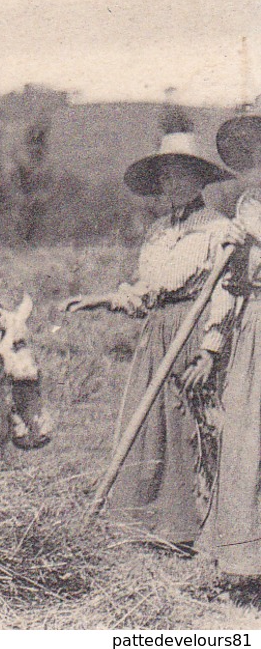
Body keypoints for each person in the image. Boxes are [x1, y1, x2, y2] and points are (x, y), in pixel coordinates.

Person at [67, 132, 240, 545]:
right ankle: (151, 526)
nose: (170, 185)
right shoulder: (160, 230)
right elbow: (147, 291)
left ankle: (198, 528)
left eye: (179, 176)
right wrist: (104, 299)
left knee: (191, 426)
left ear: (199, 179)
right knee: (150, 425)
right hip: (157, 333)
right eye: (164, 178)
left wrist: (209, 352)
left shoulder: (218, 229)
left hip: (193, 330)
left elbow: (225, 290)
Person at [194, 113, 261, 577]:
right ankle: (242, 553)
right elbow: (238, 284)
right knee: (244, 435)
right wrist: (236, 258)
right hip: (253, 327)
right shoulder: (249, 203)